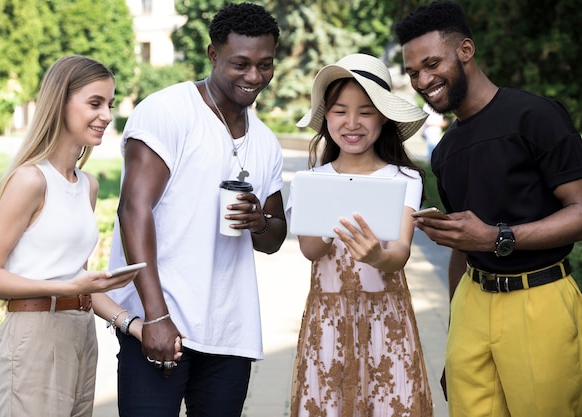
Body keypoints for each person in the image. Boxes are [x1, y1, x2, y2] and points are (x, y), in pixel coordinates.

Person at [395, 2, 582, 416]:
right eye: (413, 73)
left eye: (431, 64)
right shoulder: (444, 152)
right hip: (472, 304)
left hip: (540, 299)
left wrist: (498, 237)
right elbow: (462, 248)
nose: (423, 80)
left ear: (465, 50)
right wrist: (453, 335)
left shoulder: (536, 116)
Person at [106, 3, 286, 416]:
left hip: (230, 335)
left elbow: (274, 237)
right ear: (212, 54)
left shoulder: (265, 141)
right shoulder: (168, 111)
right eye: (240, 63)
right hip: (160, 324)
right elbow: (133, 209)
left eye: (264, 64)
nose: (254, 76)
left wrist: (260, 222)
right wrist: (154, 316)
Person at [0, 55, 145, 417]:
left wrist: (134, 325)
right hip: (35, 335)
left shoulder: (87, 186)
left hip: (81, 336)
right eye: (94, 103)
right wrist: (68, 288)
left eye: (109, 104)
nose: (107, 116)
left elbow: (78, 281)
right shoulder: (31, 180)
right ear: (59, 103)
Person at [287, 53, 432, 417]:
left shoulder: (404, 179)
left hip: (387, 319)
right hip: (328, 321)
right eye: (339, 111)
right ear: (326, 117)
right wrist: (327, 217)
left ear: (383, 116)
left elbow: (399, 251)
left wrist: (375, 257)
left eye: (366, 111)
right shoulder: (314, 180)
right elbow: (309, 251)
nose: (352, 123)